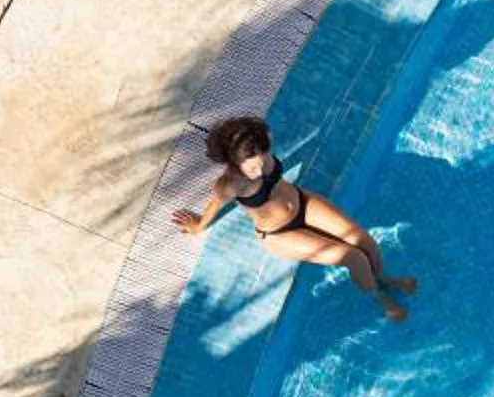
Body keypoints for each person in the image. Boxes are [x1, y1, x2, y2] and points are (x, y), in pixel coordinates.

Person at [174, 115, 415, 321]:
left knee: (366, 242)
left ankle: (385, 279)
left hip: (302, 202)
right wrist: (198, 225)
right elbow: (216, 202)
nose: (259, 172)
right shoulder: (230, 184)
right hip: (279, 234)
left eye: (263, 163)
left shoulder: (263, 139)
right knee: (353, 257)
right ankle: (380, 297)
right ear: (235, 164)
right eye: (251, 170)